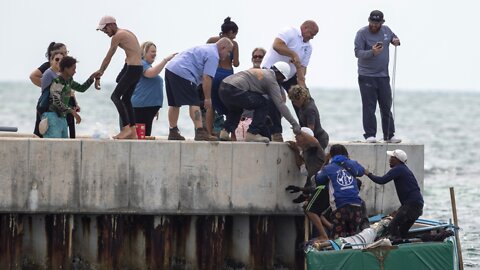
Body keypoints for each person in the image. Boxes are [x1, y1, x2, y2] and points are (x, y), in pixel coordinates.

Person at [164, 37, 233, 141]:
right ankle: (200, 131)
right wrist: (208, 98)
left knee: (174, 103)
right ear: (223, 47)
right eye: (228, 52)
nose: (228, 55)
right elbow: (207, 78)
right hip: (184, 72)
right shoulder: (213, 55)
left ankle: (173, 131)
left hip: (171, 69)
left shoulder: (206, 48)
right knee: (194, 103)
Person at [261, 20, 319, 141]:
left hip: (290, 75)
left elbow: (302, 68)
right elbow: (277, 45)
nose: (312, 38)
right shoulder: (290, 32)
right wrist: (293, 54)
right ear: (305, 28)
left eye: (314, 36)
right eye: (311, 34)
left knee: (303, 99)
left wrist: (302, 86)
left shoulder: (308, 47)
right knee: (275, 100)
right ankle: (276, 132)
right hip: (273, 71)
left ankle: (306, 131)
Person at [218, 61, 301, 143]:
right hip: (235, 89)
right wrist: (294, 124)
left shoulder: (262, 72)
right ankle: (252, 133)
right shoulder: (271, 80)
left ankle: (225, 132)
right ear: (279, 74)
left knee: (236, 109)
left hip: (223, 87)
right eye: (282, 78)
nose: (281, 81)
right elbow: (280, 104)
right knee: (264, 103)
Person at [354, 10, 401, 143]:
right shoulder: (361, 33)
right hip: (366, 75)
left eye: (377, 23)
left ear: (382, 23)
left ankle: (389, 134)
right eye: (372, 23)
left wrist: (395, 40)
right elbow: (357, 53)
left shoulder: (386, 30)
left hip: (383, 76)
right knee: (369, 106)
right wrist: (372, 52)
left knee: (386, 105)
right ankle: (370, 134)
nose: (374, 25)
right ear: (369, 21)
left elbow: (393, 37)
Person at [94, 15, 142, 140]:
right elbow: (134, 52)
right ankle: (132, 132)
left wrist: (100, 72)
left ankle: (126, 128)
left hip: (133, 69)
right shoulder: (126, 32)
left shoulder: (117, 36)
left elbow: (109, 56)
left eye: (105, 30)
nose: (105, 33)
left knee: (115, 96)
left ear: (111, 25)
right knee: (126, 99)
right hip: (136, 69)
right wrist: (123, 72)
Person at [364, 149, 424, 239]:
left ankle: (396, 245)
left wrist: (368, 173)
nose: (389, 159)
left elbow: (381, 180)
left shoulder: (398, 169)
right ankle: (403, 244)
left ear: (397, 160)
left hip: (411, 205)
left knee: (392, 226)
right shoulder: (404, 169)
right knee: (402, 232)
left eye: (392, 157)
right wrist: (401, 209)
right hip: (418, 205)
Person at [285, 127, 329, 241]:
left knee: (310, 209)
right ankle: (326, 231)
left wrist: (299, 130)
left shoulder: (316, 150)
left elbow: (315, 141)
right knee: (310, 209)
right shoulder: (305, 153)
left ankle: (326, 233)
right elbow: (302, 168)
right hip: (315, 187)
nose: (295, 137)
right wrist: (295, 151)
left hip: (322, 187)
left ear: (305, 138)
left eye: (298, 135)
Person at [315, 144, 366, 239]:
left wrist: (325, 162)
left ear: (331, 155)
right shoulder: (353, 164)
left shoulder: (328, 168)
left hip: (340, 206)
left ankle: (337, 252)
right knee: (353, 237)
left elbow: (318, 180)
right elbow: (362, 171)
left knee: (338, 237)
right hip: (356, 206)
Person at [41, 56, 96, 138]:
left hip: (62, 118)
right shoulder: (58, 81)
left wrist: (92, 78)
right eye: (73, 69)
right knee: (55, 145)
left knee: (63, 145)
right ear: (66, 68)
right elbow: (56, 101)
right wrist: (72, 111)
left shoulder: (69, 81)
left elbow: (81, 88)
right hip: (53, 117)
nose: (75, 71)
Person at [131, 41, 176, 136]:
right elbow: (151, 73)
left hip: (147, 108)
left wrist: (155, 108)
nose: (155, 54)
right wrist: (165, 60)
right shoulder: (142, 64)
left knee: (145, 135)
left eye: (155, 51)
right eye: (152, 51)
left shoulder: (147, 65)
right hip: (141, 107)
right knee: (141, 136)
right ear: (144, 52)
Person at [206, 17, 240, 136]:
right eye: (235, 33)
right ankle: (232, 135)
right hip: (227, 76)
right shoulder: (234, 44)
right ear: (231, 32)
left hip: (214, 74)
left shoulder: (212, 40)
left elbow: (206, 56)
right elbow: (235, 63)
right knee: (231, 105)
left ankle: (209, 133)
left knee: (211, 106)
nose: (235, 37)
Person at [30, 42, 69, 137]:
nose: (64, 55)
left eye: (66, 52)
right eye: (62, 52)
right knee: (41, 132)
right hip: (48, 104)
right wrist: (49, 87)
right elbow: (33, 76)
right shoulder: (49, 66)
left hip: (62, 105)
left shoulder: (65, 66)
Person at [288, 85, 329, 149]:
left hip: (319, 139)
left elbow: (310, 132)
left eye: (295, 101)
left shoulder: (309, 109)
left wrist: (299, 131)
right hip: (312, 138)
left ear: (302, 98)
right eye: (292, 101)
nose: (294, 103)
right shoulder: (304, 104)